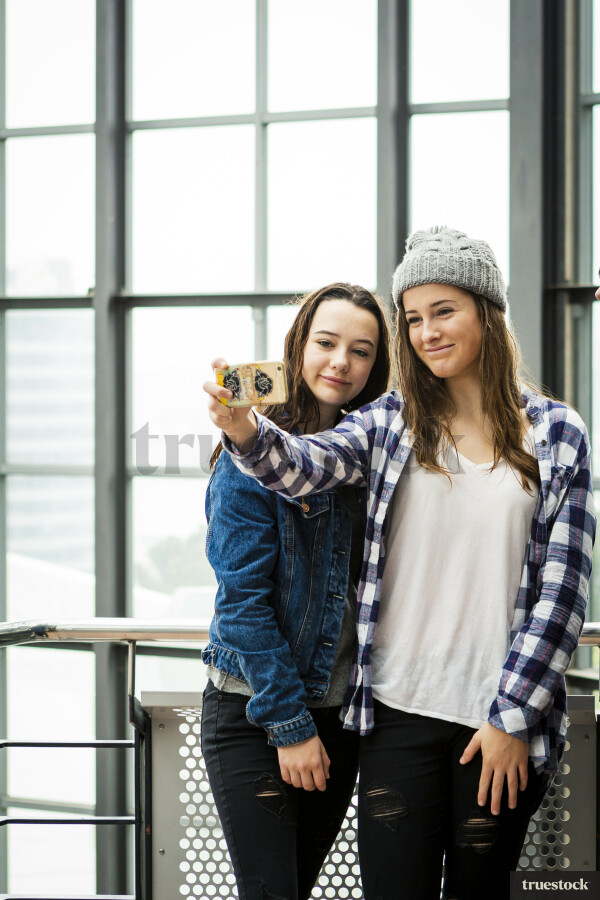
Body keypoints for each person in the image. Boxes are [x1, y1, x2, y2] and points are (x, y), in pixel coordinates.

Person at [204, 227, 596, 900]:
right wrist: (245, 428)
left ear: (488, 313)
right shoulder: (392, 421)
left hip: (499, 720)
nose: (427, 332)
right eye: (412, 318)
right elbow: (305, 466)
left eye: (444, 311)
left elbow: (563, 594)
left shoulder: (558, 431)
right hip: (394, 714)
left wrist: (512, 717)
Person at [200, 282, 391, 900]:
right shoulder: (248, 457)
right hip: (256, 712)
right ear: (298, 347)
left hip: (341, 717)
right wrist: (291, 726)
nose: (341, 362)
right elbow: (242, 606)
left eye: (360, 351)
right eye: (326, 343)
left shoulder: (373, 455)